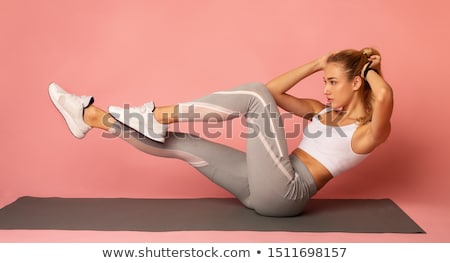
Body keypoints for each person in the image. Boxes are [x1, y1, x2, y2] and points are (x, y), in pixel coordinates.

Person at [48, 48, 393, 217]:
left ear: (357, 82)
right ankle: (91, 118)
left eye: (332, 82)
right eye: (325, 82)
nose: (327, 89)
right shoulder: (322, 111)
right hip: (260, 188)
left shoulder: (367, 133)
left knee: (253, 96)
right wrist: (317, 64)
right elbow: (273, 91)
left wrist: (370, 66)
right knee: (181, 144)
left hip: (289, 193)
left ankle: (155, 115)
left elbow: (384, 96)